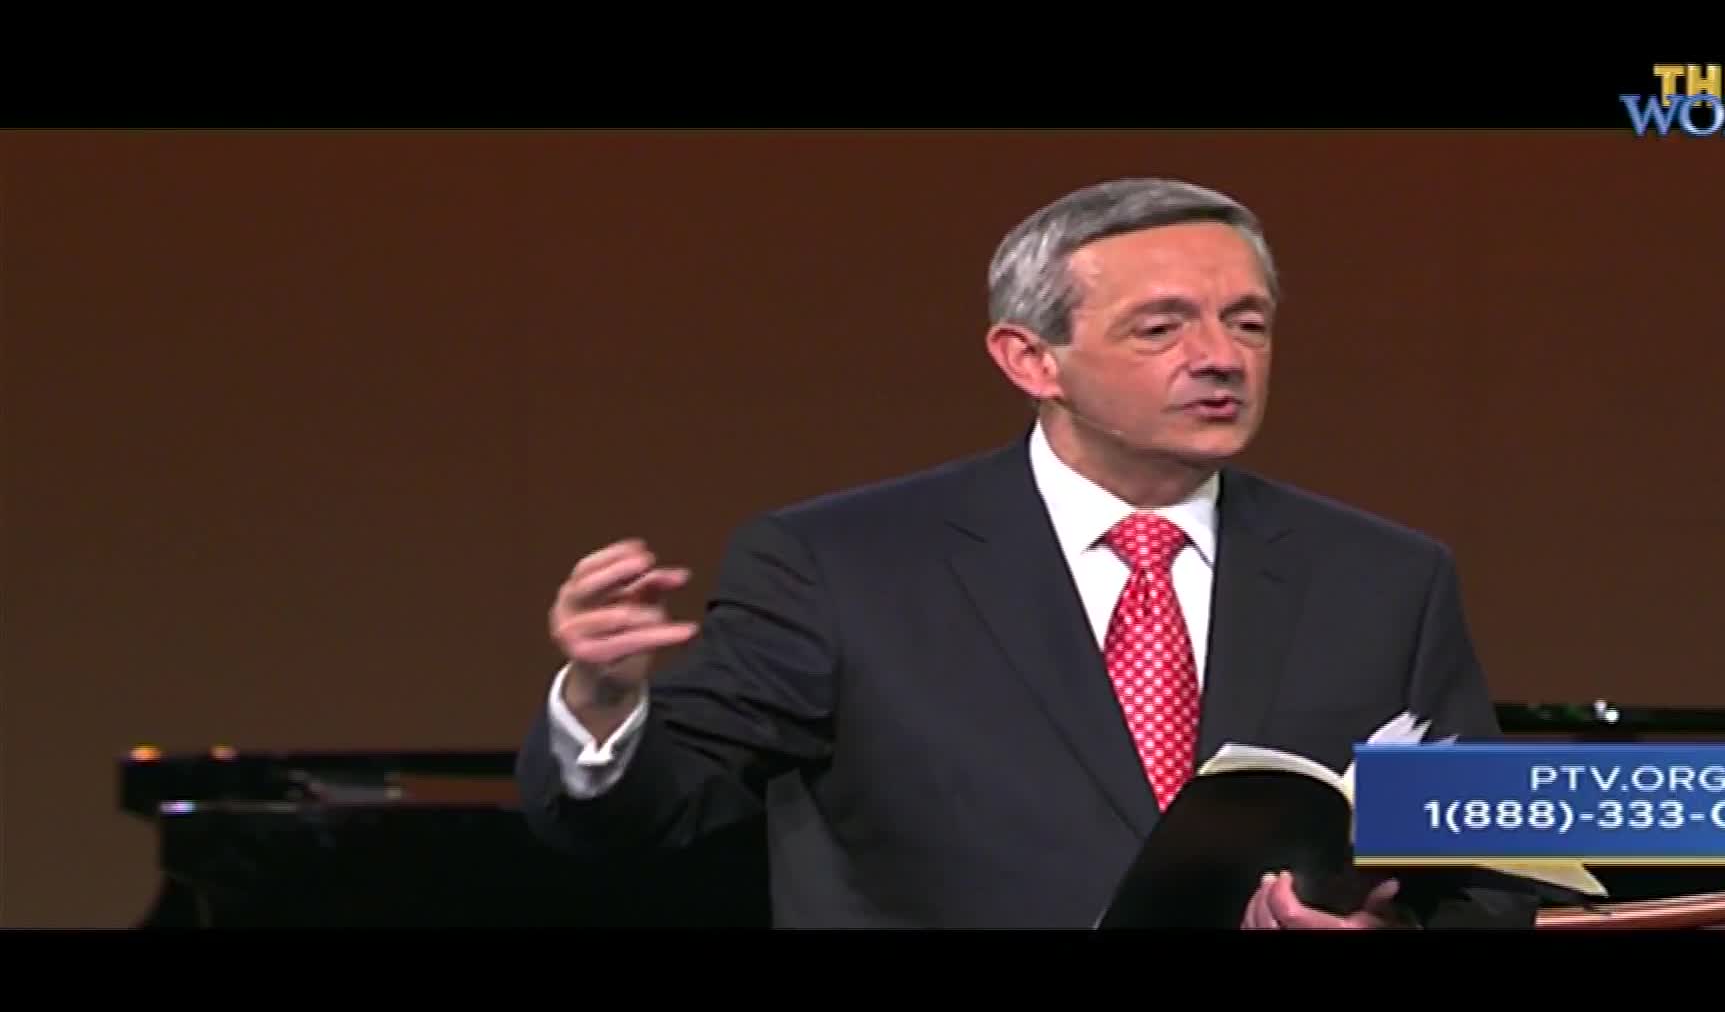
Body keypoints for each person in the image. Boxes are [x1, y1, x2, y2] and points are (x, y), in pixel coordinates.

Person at [515, 177, 1538, 930]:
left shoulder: (1383, 578)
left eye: (1248, 322)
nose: (1221, 358)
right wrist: (601, 704)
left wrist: (1384, 929)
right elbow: (645, 818)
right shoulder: (843, 565)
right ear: (1030, 358)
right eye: (1160, 328)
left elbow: (1490, 872)